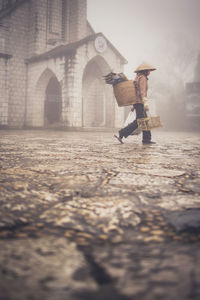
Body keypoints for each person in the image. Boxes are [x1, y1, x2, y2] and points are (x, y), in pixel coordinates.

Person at [114, 62, 157, 144]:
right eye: (148, 70)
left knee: (145, 120)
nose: (149, 72)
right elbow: (142, 91)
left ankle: (146, 139)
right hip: (140, 102)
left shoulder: (137, 77)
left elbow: (135, 92)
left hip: (137, 102)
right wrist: (145, 101)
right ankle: (121, 133)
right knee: (140, 120)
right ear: (145, 71)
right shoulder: (143, 78)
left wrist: (134, 105)